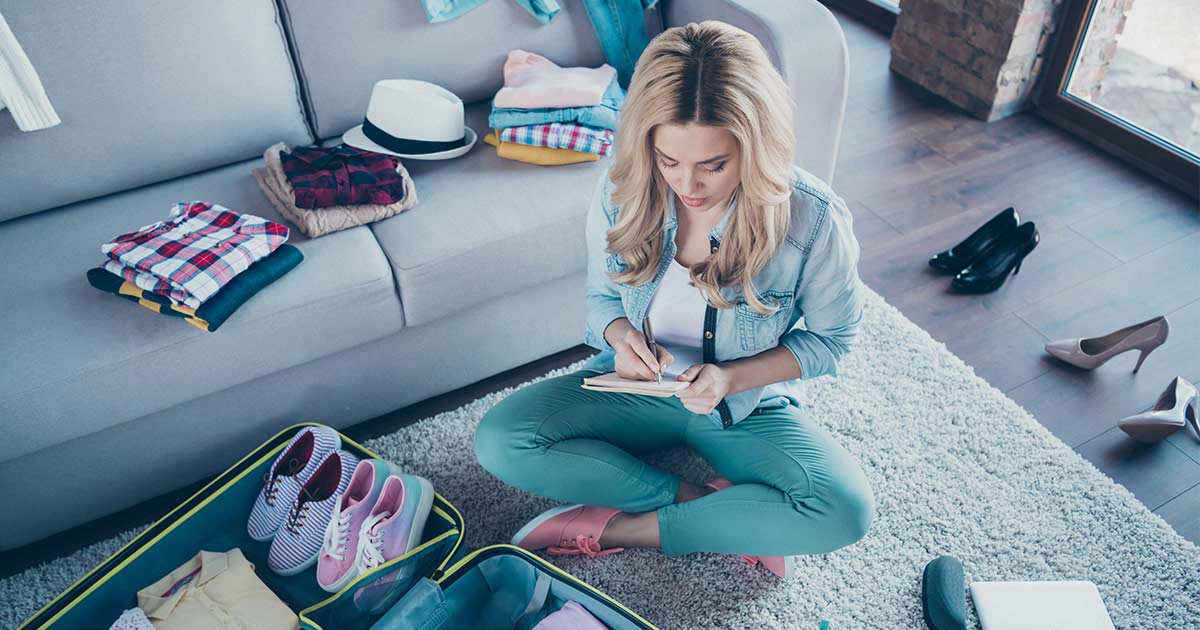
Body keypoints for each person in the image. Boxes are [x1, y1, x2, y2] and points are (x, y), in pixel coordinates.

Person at [474, 20, 874, 579]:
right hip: (637, 390)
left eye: (714, 164)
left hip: (739, 406)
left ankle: (624, 528)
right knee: (501, 440)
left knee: (845, 510)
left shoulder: (811, 217)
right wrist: (620, 337)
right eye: (669, 161)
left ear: (756, 147)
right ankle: (704, 503)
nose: (690, 185)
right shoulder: (623, 189)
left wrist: (731, 379)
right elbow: (600, 298)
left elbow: (833, 339)